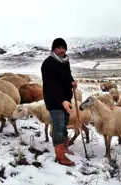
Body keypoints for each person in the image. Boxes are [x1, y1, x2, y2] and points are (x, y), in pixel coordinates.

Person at [41, 38, 77, 166]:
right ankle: (60, 155)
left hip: (66, 99)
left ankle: (65, 147)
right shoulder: (48, 63)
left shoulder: (65, 61)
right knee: (58, 126)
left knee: (65, 123)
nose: (62, 50)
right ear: (54, 49)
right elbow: (51, 85)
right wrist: (62, 101)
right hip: (54, 100)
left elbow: (67, 75)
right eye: (59, 47)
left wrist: (72, 81)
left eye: (64, 47)